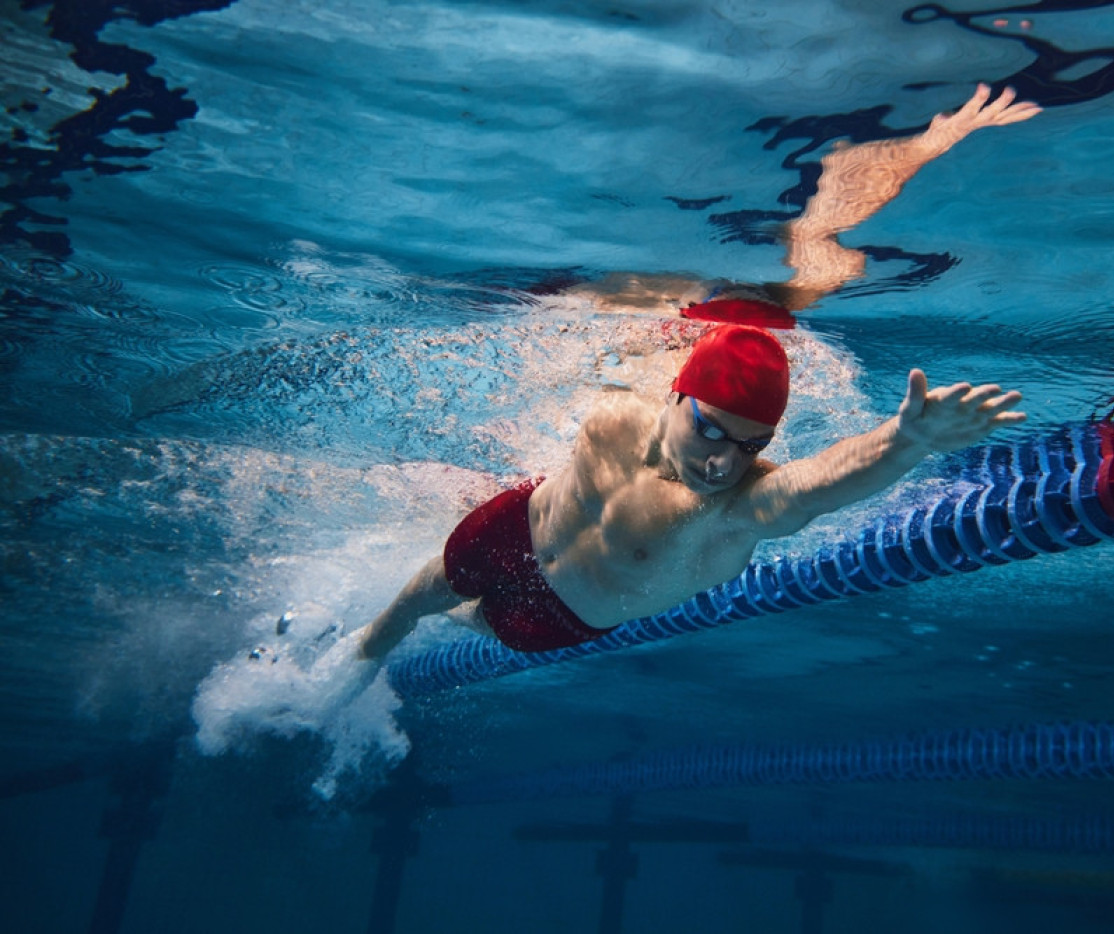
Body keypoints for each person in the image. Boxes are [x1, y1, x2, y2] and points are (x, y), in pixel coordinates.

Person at [355, 84, 1039, 661]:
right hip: (513, 529)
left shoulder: (737, 509)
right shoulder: (628, 405)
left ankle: (413, 636)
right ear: (677, 395)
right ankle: (360, 654)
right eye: (713, 433)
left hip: (556, 621)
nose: (724, 466)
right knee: (419, 597)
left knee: (463, 618)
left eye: (752, 447)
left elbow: (817, 487)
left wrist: (906, 440)